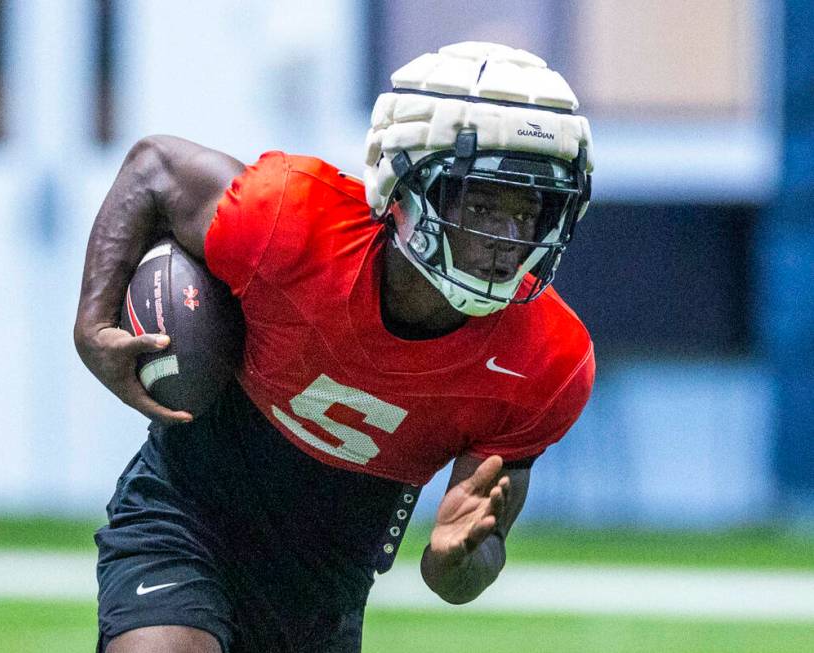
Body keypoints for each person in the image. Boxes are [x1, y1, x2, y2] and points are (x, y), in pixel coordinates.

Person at [75, 42, 595, 653]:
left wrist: (456, 562)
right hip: (187, 512)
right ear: (405, 185)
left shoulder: (548, 360)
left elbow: (466, 569)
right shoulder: (289, 221)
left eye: (529, 212)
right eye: (480, 204)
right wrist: (93, 321)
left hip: (323, 587)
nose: (505, 240)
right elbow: (152, 167)